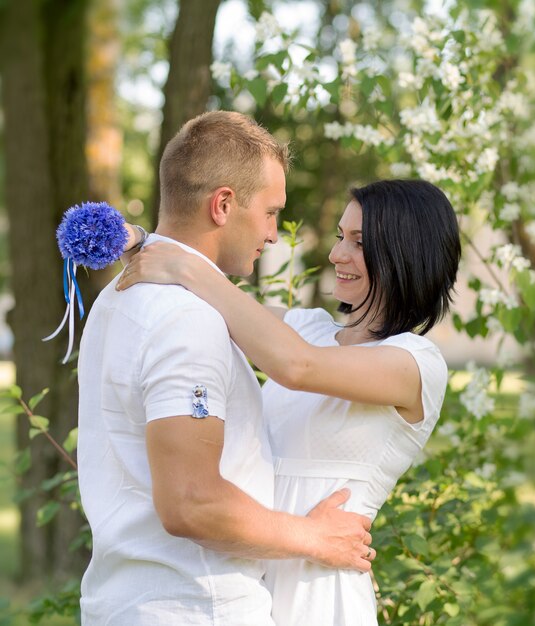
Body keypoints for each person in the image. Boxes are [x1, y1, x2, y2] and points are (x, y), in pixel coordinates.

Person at [116, 178, 461, 625]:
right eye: (340, 237)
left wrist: (186, 268)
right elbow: (216, 302)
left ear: (406, 253)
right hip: (246, 569)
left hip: (317, 588)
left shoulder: (415, 365)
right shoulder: (309, 327)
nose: (337, 254)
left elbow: (297, 368)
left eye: (359, 242)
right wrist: (147, 244)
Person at [76, 110, 374, 626]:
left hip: (124, 601)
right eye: (270, 213)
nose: (275, 235)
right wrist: (316, 538)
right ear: (223, 205)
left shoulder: (116, 298)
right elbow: (190, 502)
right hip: (196, 606)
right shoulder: (185, 319)